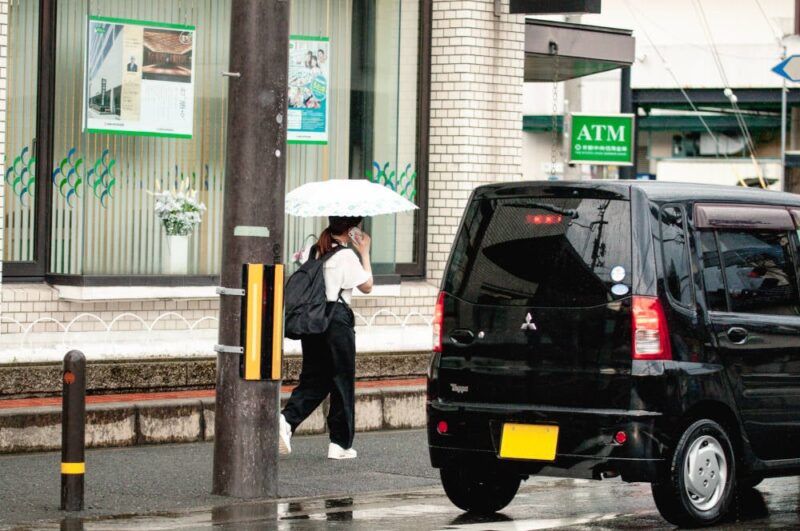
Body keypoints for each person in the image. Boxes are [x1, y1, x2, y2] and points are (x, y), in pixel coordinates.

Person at [279, 216, 373, 459]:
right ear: (351, 229)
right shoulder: (346, 256)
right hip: (336, 319)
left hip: (313, 320)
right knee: (342, 380)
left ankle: (285, 421)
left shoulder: (314, 252)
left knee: (315, 378)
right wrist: (364, 251)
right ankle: (340, 444)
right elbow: (367, 285)